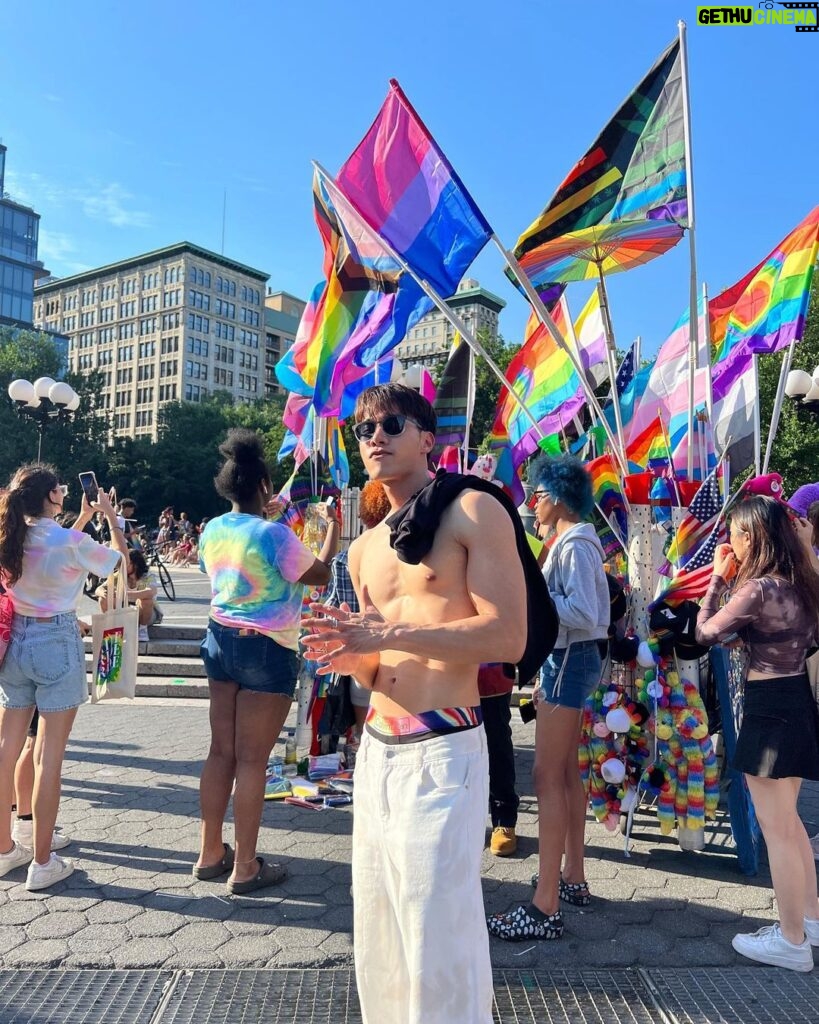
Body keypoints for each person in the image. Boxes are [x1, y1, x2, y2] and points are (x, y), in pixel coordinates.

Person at [302, 383, 526, 1024]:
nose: (374, 436)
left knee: (437, 929)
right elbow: (375, 666)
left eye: (391, 424)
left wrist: (389, 634)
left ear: (429, 438)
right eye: (364, 429)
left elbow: (506, 636)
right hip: (377, 751)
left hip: (444, 746)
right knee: (381, 927)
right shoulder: (363, 548)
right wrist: (349, 656)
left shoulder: (474, 511)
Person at [195, 429, 339, 895]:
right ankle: (246, 866)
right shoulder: (277, 535)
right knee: (253, 761)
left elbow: (218, 568)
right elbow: (317, 575)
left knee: (221, 752)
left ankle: (210, 853)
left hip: (219, 641)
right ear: (262, 486)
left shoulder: (213, 529)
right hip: (267, 647)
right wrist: (332, 529)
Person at [695, 495, 819, 971]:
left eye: (733, 533)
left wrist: (717, 579)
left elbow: (707, 633)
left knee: (778, 830)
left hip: (769, 710)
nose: (728, 541)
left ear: (751, 535)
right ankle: (808, 920)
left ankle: (791, 941)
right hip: (796, 702)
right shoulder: (802, 582)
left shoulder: (761, 589)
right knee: (791, 825)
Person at [488, 454, 609, 942]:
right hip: (571, 659)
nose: (532, 504)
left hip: (572, 656)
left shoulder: (576, 542)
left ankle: (546, 905)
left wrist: (535, 602)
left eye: (536, 495)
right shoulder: (572, 540)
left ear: (557, 498)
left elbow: (583, 608)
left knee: (546, 774)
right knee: (564, 773)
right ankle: (572, 877)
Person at [0, 465, 127, 889]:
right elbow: (118, 563)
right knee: (48, 756)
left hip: (15, 640)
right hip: (56, 639)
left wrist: (84, 520)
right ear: (52, 497)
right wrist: (109, 515)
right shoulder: (70, 541)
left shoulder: (11, 534)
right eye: (60, 489)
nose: (65, 493)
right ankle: (42, 861)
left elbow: (48, 547)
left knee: (6, 750)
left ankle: (5, 849)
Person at [324, 481, 392, 741]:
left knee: (366, 735)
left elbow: (333, 609)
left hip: (360, 655)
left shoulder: (345, 558)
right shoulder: (408, 556)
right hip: (401, 656)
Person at [97, 549, 161, 641]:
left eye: (126, 563)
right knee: (103, 599)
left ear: (135, 564)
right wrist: (104, 593)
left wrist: (126, 594)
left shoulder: (147, 576)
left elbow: (151, 591)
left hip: (146, 614)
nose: (121, 566)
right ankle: (112, 627)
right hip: (126, 611)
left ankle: (142, 630)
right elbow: (99, 589)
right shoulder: (119, 575)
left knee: (146, 599)